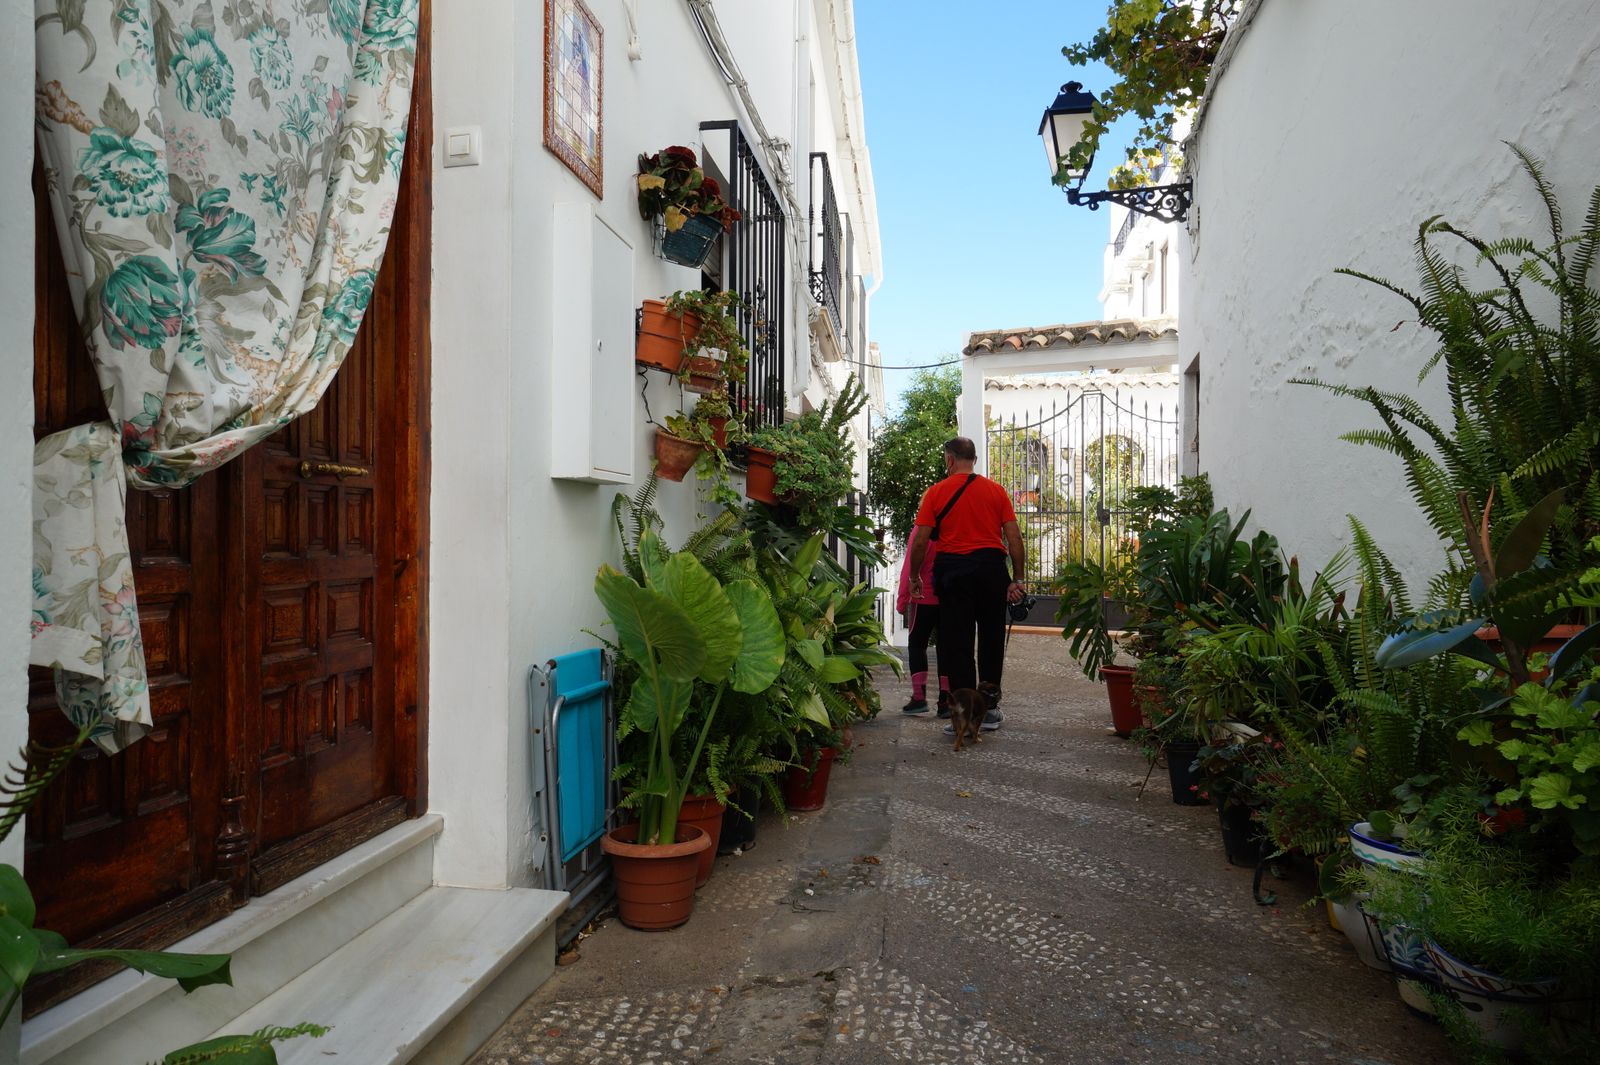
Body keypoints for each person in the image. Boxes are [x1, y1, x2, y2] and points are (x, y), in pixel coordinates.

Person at [906, 437, 1026, 732]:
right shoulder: (996, 491)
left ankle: (965, 715)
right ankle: (990, 709)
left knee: (957, 645)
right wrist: (1018, 579)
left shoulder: (936, 492)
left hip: (954, 573)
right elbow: (1014, 538)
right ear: (974, 459)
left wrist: (914, 577)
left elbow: (920, 541)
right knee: (991, 639)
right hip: (990, 570)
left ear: (949, 459)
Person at [894, 530, 946, 715]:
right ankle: (946, 700)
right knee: (946, 648)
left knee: (917, 646)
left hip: (922, 598)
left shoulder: (921, 530)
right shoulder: (952, 527)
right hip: (948, 598)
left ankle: (919, 697)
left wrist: (902, 600)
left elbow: (909, 566)